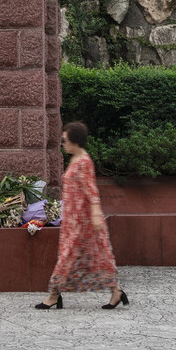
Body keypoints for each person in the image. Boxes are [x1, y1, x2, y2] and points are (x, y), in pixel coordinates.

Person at [36, 121, 129, 310]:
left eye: (65, 140)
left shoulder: (84, 162)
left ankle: (54, 294)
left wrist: (95, 214)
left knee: (71, 255)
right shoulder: (75, 158)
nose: (63, 143)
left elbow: (91, 190)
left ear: (75, 141)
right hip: (73, 219)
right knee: (94, 256)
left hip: (83, 221)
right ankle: (116, 290)